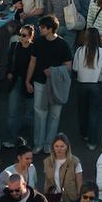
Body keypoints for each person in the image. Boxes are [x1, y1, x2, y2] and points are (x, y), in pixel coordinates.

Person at [26, 15, 72, 156]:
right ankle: (39, 144)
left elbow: (68, 66)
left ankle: (49, 144)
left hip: (56, 84)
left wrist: (53, 71)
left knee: (54, 115)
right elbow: (32, 62)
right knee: (40, 113)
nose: (40, 29)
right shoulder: (38, 42)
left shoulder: (63, 44)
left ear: (50, 29)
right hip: (40, 82)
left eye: (42, 27)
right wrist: (28, 80)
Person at [43, 134, 83, 202]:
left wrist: (79, 200)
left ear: (67, 147)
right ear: (53, 147)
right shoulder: (47, 162)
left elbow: (79, 184)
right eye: (56, 146)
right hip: (53, 198)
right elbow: (47, 182)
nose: (59, 149)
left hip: (71, 199)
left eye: (62, 146)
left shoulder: (75, 162)